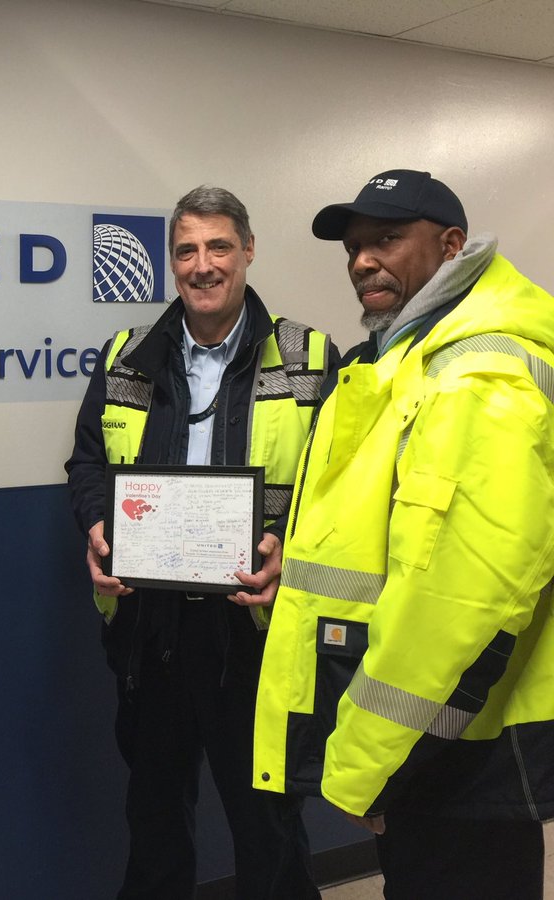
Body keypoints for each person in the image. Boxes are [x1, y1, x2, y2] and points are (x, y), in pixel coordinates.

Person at [252, 169, 554, 899]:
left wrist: (367, 762)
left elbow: (458, 602)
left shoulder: (476, 375)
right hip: (435, 737)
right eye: (354, 247)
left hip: (454, 739)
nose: (362, 260)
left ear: (452, 246)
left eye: (386, 239)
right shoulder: (398, 359)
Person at [66, 186, 336, 899]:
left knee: (267, 823)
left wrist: (292, 551)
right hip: (149, 627)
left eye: (219, 246)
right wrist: (98, 525)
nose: (203, 264)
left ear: (248, 250)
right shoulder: (127, 357)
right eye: (186, 249)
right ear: (171, 262)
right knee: (153, 816)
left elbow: (339, 487)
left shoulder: (309, 358)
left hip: (255, 626)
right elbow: (88, 461)